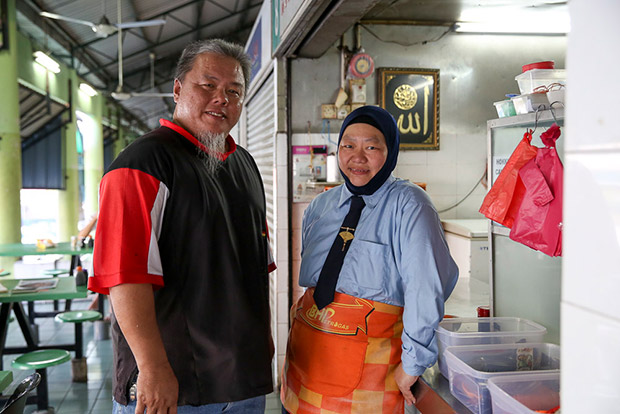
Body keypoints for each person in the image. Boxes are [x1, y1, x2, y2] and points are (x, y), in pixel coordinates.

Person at [88, 38, 276, 414]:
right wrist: (153, 368)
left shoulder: (245, 165)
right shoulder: (142, 163)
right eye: (208, 85)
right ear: (177, 89)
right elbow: (124, 277)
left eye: (233, 91)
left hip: (242, 383)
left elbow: (254, 270)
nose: (221, 98)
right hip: (177, 387)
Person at [280, 106, 458, 414]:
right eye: (348, 145)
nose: (357, 157)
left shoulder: (410, 204)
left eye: (371, 147)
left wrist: (414, 362)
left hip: (371, 374)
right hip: (304, 363)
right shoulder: (320, 206)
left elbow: (425, 288)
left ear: (390, 152)